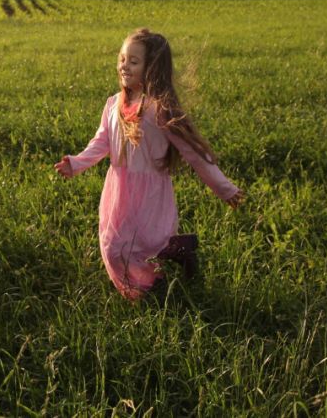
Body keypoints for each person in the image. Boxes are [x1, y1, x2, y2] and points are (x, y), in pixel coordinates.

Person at [53, 28, 245, 300]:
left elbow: (193, 154)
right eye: (122, 59)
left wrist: (225, 189)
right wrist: (76, 163)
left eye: (133, 61)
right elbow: (101, 142)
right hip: (119, 191)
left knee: (140, 246)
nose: (124, 66)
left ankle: (154, 287)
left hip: (150, 193)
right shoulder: (112, 105)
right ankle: (154, 285)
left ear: (151, 68)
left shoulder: (160, 110)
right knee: (114, 246)